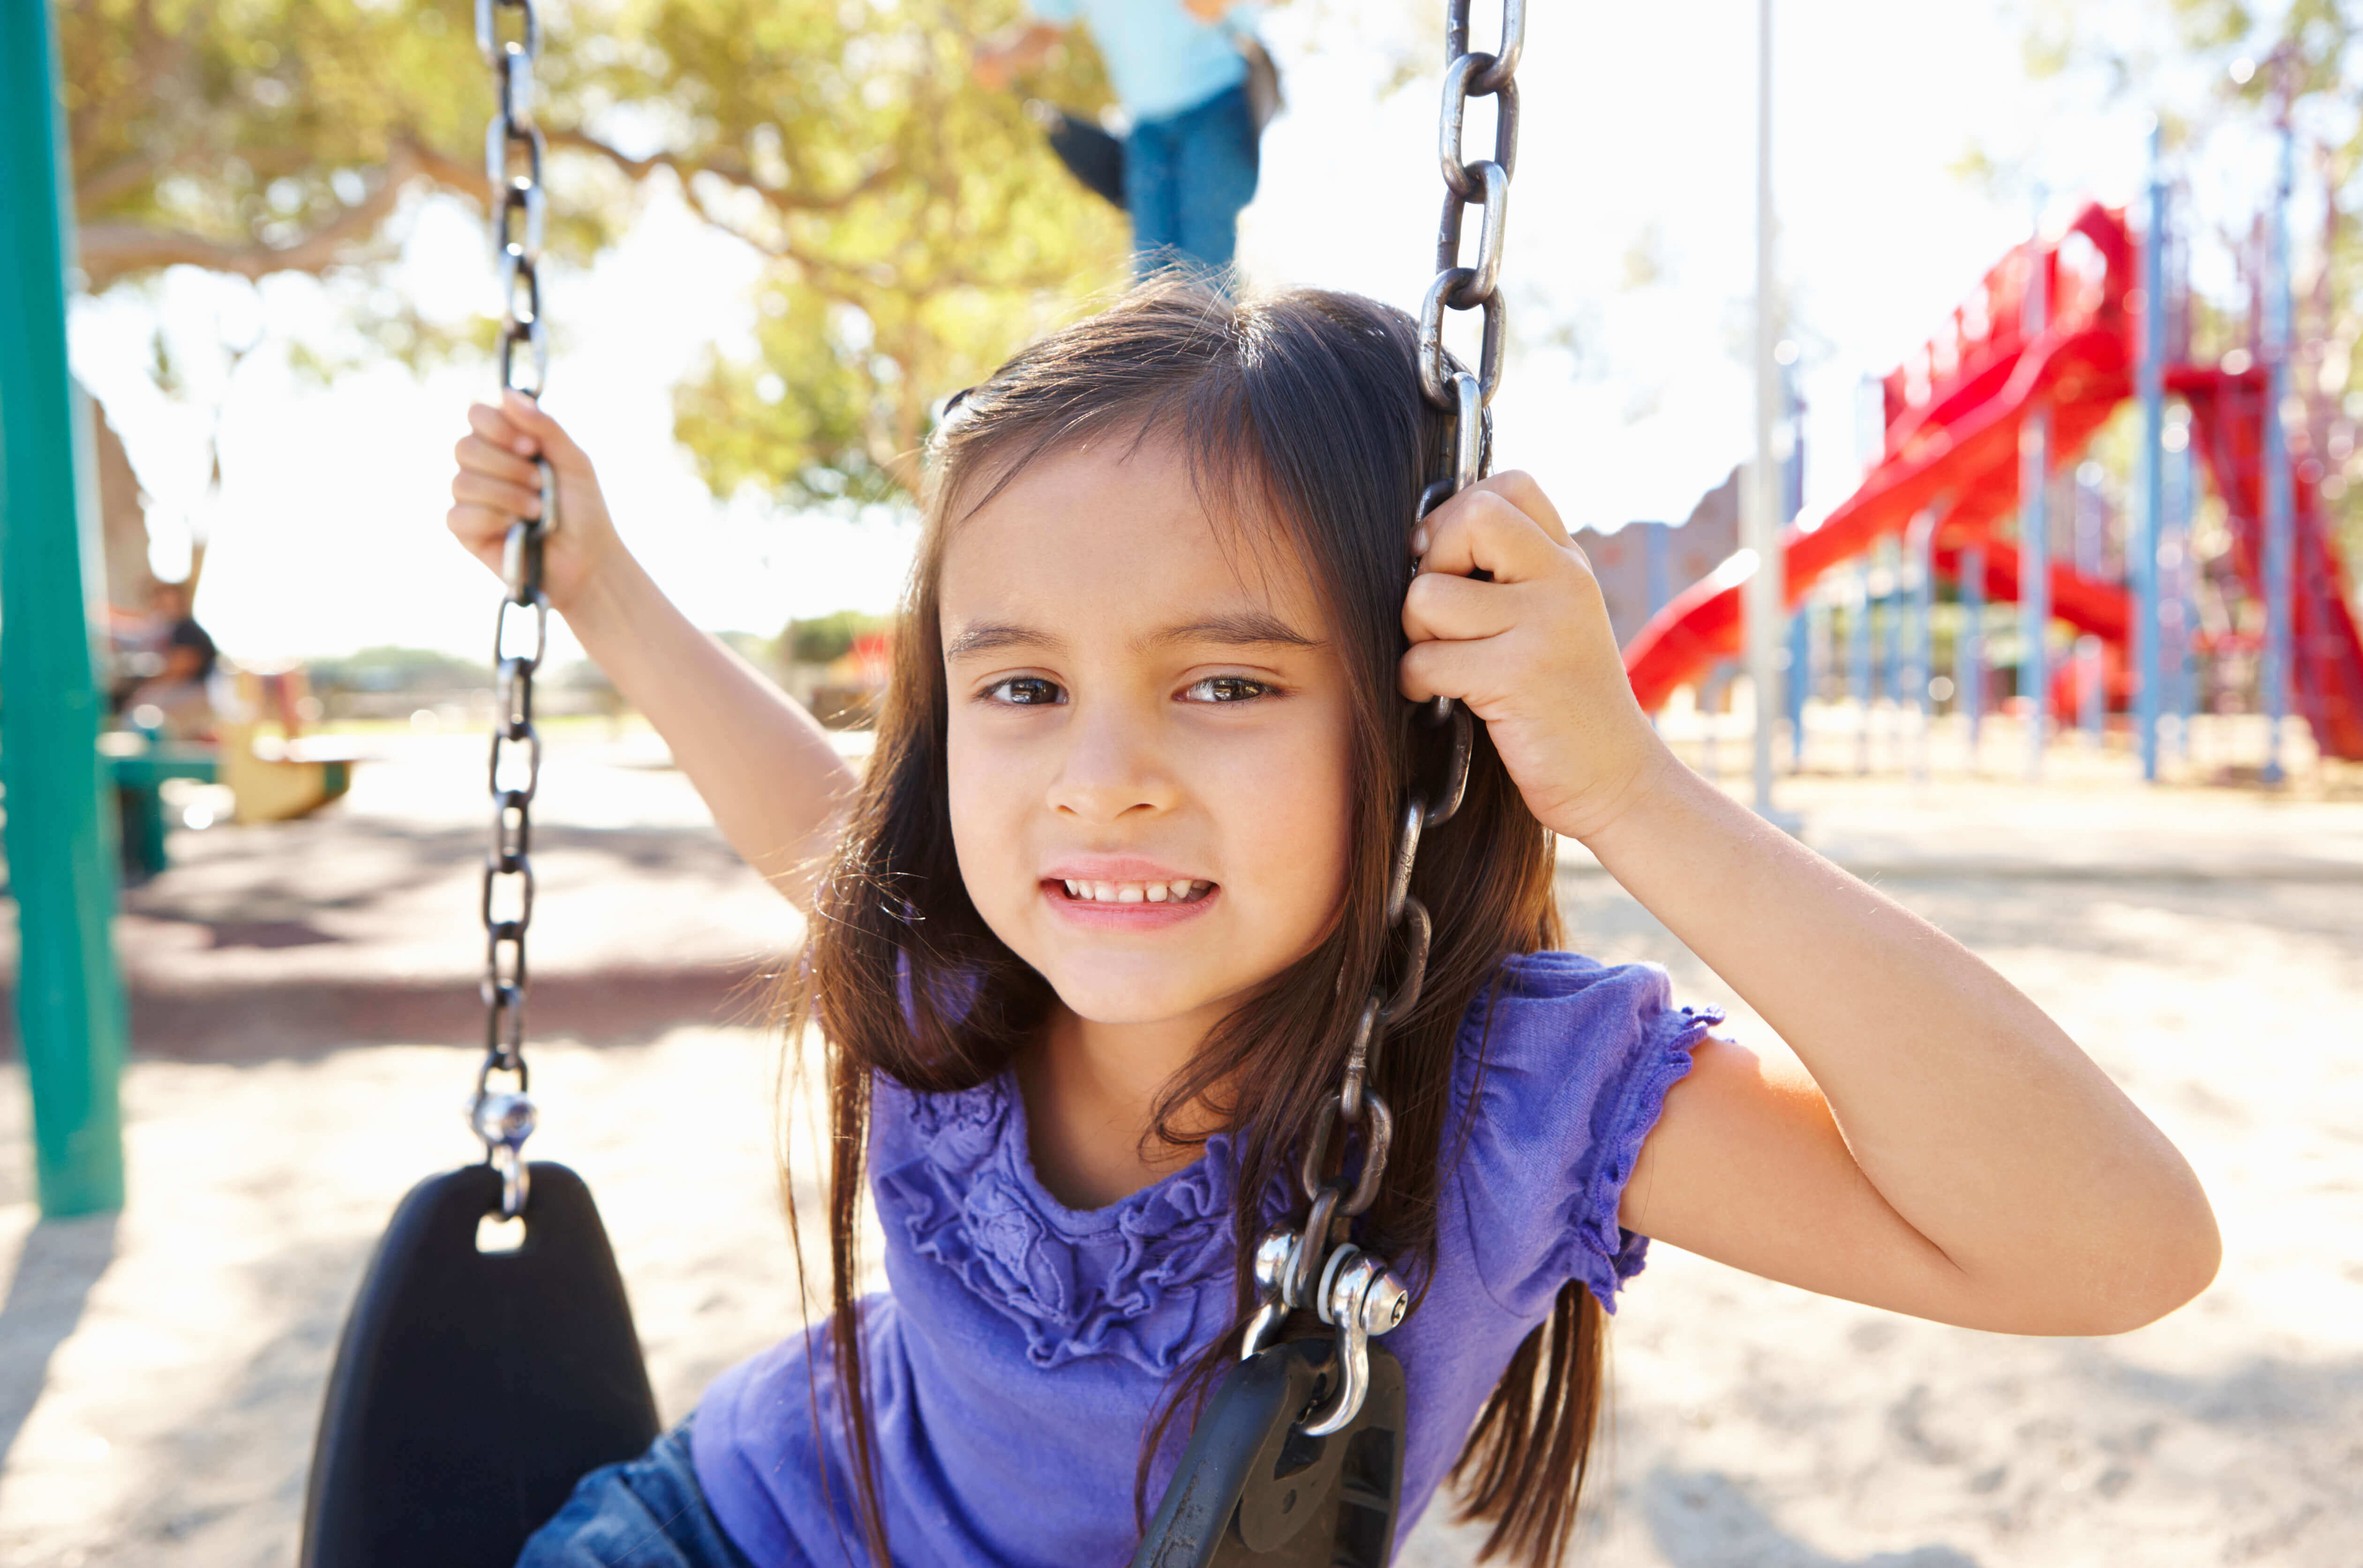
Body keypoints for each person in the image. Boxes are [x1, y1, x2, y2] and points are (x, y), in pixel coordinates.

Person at [445, 281, 2219, 1568]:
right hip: (718, 1531)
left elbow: (2112, 1244)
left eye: (1223, 681)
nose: (1103, 778)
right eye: (1026, 686)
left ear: (1419, 707)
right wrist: (595, 582)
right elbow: (794, 800)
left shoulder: (1504, 1092)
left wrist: (1626, 792)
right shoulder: (959, 971)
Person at [974, 0, 1267, 276]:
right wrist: (1001, 57)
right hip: (1146, 128)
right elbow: (1044, 31)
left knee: (1204, 268)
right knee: (1150, 273)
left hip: (1217, 105)